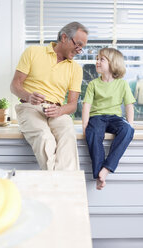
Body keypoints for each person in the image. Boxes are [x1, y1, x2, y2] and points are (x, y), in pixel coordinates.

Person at [10, 22, 88, 170]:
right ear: (64, 37)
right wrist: (28, 96)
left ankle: (59, 187)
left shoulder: (76, 69)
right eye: (77, 45)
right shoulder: (33, 52)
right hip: (30, 107)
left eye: (82, 47)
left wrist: (60, 110)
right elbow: (14, 85)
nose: (79, 50)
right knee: (45, 138)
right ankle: (63, 188)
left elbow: (72, 105)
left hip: (57, 111)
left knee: (68, 136)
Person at [82, 48, 135, 190]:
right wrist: (85, 126)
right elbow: (86, 106)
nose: (97, 61)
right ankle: (99, 176)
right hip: (97, 117)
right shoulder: (93, 84)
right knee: (93, 133)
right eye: (97, 59)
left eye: (101, 59)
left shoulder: (122, 84)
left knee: (127, 130)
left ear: (113, 63)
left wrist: (129, 126)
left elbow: (129, 105)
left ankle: (106, 168)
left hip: (115, 118)